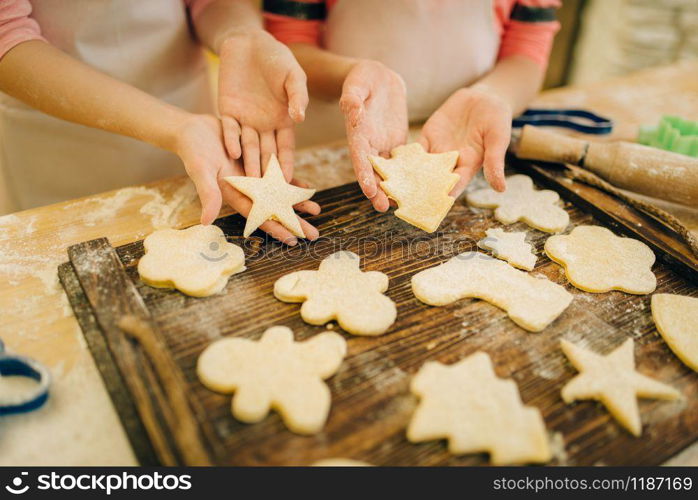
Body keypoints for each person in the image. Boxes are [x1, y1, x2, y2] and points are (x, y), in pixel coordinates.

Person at [0, 0, 318, 245]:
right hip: (59, 136)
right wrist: (178, 128)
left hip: (187, 106)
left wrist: (240, 34)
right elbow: (6, 33)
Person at [264, 0, 560, 212]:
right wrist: (350, 74)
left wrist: (494, 94)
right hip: (340, 128)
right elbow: (288, 45)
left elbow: (527, 51)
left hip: (462, 134)